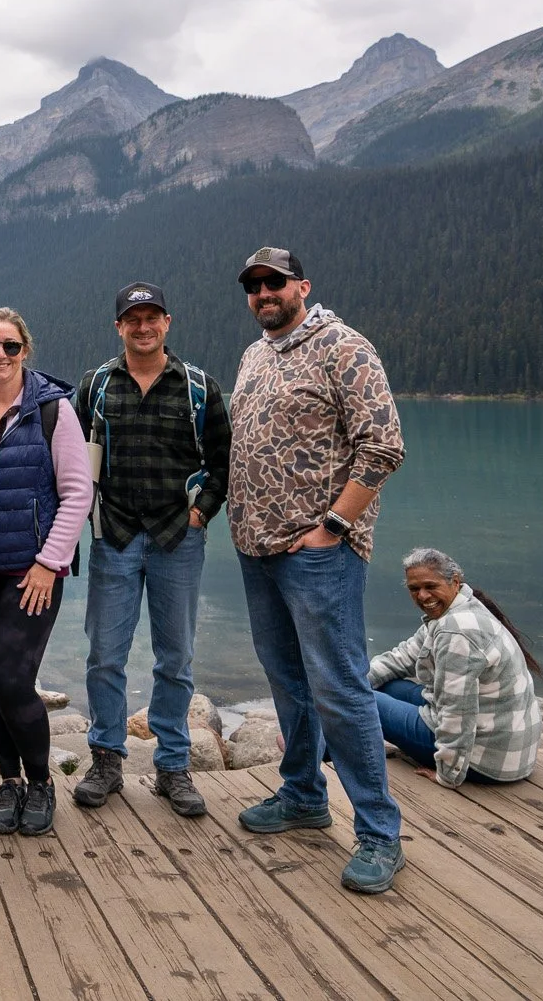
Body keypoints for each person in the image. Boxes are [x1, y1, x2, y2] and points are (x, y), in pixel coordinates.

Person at [227, 246, 407, 895]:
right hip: (256, 548)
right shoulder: (255, 354)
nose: (263, 292)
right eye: (253, 285)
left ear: (302, 284)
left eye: (274, 281)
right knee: (288, 680)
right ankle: (303, 792)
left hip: (318, 555)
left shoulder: (343, 346)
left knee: (340, 686)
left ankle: (380, 832)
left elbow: (384, 443)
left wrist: (333, 526)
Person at [72, 282, 230, 819]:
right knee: (104, 656)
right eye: (132, 318)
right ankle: (106, 760)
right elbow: (74, 461)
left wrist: (200, 512)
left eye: (152, 317)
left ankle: (172, 767)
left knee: (176, 659)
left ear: (168, 322)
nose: (143, 326)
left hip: (177, 539)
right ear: (119, 326)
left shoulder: (198, 387)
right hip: (112, 536)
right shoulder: (95, 384)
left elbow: (221, 462)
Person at [0, 308, 92, 838]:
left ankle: (41, 782)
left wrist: (48, 564)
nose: (1, 356)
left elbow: (78, 493)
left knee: (13, 678)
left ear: (25, 350)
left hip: (31, 571)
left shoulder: (52, 411)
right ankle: (7, 780)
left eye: (10, 346)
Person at [367, 548, 542, 786]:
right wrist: (348, 681)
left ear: (455, 582)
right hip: (505, 751)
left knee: (359, 701)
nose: (422, 596)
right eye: (414, 589)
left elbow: (458, 710)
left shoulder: (456, 631)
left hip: (483, 763)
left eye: (430, 586)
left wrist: (447, 773)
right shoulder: (459, 609)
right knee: (378, 686)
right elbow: (402, 658)